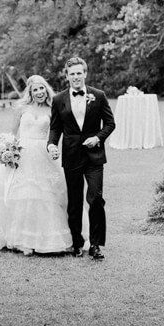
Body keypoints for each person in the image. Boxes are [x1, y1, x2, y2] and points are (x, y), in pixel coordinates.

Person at [0, 75, 73, 255]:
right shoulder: (21, 108)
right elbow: (13, 133)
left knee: (44, 195)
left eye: (42, 88)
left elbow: (56, 134)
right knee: (20, 194)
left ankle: (43, 239)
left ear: (46, 89)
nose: (39, 92)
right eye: (35, 89)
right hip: (22, 154)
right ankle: (20, 240)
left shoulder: (53, 109)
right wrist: (6, 149)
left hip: (43, 154)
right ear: (30, 92)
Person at [47, 57, 115, 260]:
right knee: (74, 201)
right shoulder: (58, 99)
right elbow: (55, 128)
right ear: (67, 76)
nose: (76, 77)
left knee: (96, 199)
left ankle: (95, 245)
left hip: (95, 157)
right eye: (72, 74)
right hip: (71, 156)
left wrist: (98, 138)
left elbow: (110, 123)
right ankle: (77, 242)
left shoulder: (98, 96)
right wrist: (51, 144)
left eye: (79, 73)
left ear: (85, 74)